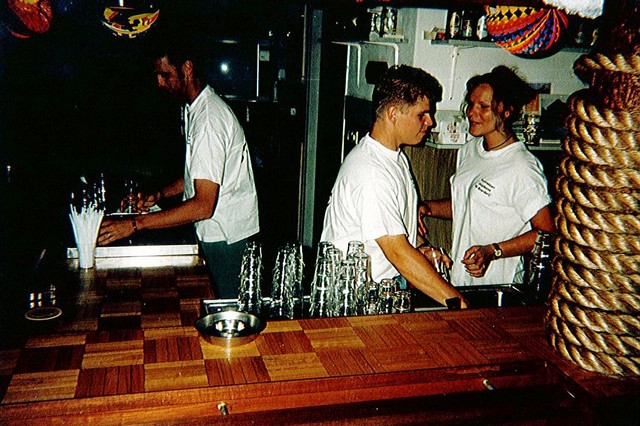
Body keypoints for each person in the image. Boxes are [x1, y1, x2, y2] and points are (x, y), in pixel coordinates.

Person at [98, 39, 260, 299]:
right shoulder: (193, 109)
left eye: (165, 75)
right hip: (213, 233)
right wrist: (159, 195)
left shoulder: (209, 120)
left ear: (187, 68)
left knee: (227, 310)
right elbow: (200, 176)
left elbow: (203, 205)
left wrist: (134, 224)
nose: (159, 83)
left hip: (227, 239)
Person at [320, 65, 467, 309]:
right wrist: (458, 303)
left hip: (380, 288)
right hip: (356, 298)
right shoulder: (371, 172)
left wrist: (422, 247)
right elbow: (397, 251)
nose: (430, 122)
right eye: (422, 114)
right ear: (393, 114)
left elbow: (396, 225)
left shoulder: (395, 158)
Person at [420, 66, 555, 286]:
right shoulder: (469, 150)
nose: (471, 113)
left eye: (483, 107)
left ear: (506, 111)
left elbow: (546, 233)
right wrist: (427, 208)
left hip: (498, 284)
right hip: (460, 277)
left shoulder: (522, 166)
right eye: (471, 104)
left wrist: (494, 251)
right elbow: (467, 206)